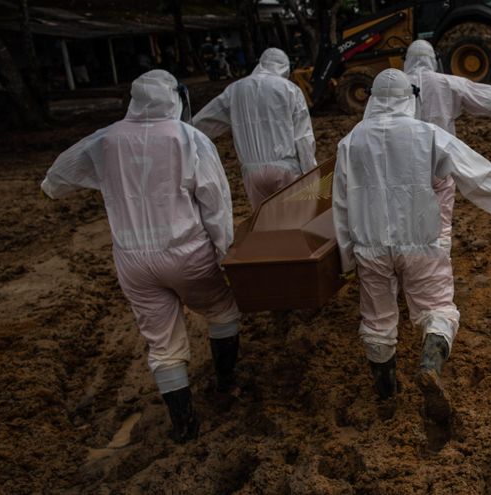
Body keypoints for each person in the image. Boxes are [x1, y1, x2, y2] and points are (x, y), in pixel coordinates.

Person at [41, 70, 240, 444]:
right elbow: (215, 201)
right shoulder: (188, 137)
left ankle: (185, 426)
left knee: (162, 345)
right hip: (187, 251)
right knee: (222, 311)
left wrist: (49, 189)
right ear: (175, 98)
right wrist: (224, 250)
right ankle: (226, 382)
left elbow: (59, 175)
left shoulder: (107, 139)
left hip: (132, 259)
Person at [332, 69, 491, 421]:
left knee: (378, 322)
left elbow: (341, 205)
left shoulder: (351, 141)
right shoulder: (426, 134)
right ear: (408, 97)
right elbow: (473, 170)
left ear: (374, 98)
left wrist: (347, 260)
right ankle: (429, 364)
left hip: (371, 246)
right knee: (438, 307)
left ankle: (387, 394)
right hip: (421, 241)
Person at [403, 39, 491, 251]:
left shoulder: (392, 88)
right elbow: (487, 98)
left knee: (405, 213)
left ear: (406, 60)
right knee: (439, 216)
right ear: (433, 59)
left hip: (402, 163)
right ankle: (434, 256)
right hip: (442, 160)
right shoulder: (448, 83)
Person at [193, 48, 316, 210]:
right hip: (285, 169)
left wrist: (181, 133)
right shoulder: (290, 89)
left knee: (265, 225)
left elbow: (205, 120)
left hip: (251, 172)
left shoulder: (235, 90)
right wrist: (312, 176)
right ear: (285, 67)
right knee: (295, 221)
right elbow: (303, 137)